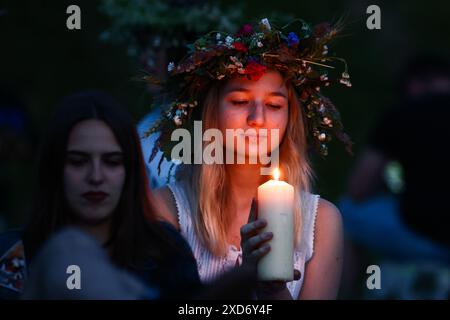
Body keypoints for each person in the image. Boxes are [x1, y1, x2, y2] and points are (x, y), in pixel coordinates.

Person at [142, 18, 353, 299]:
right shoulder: (164, 210)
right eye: (240, 102)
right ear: (210, 112)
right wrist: (242, 280)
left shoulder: (321, 223)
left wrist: (273, 287)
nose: (257, 119)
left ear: (290, 117)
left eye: (274, 105)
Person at [0, 91, 203, 299]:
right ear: (55, 168)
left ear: (129, 169)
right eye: (78, 161)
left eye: (112, 162)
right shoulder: (16, 253)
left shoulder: (166, 250)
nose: (96, 177)